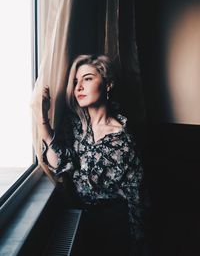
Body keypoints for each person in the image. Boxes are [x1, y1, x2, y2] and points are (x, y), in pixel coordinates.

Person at [40, 54, 146, 256]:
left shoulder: (123, 139)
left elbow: (137, 197)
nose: (78, 87)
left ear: (108, 85)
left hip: (114, 223)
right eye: (75, 81)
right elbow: (62, 164)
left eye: (87, 78)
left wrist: (139, 245)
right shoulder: (74, 125)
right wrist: (42, 121)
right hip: (78, 216)